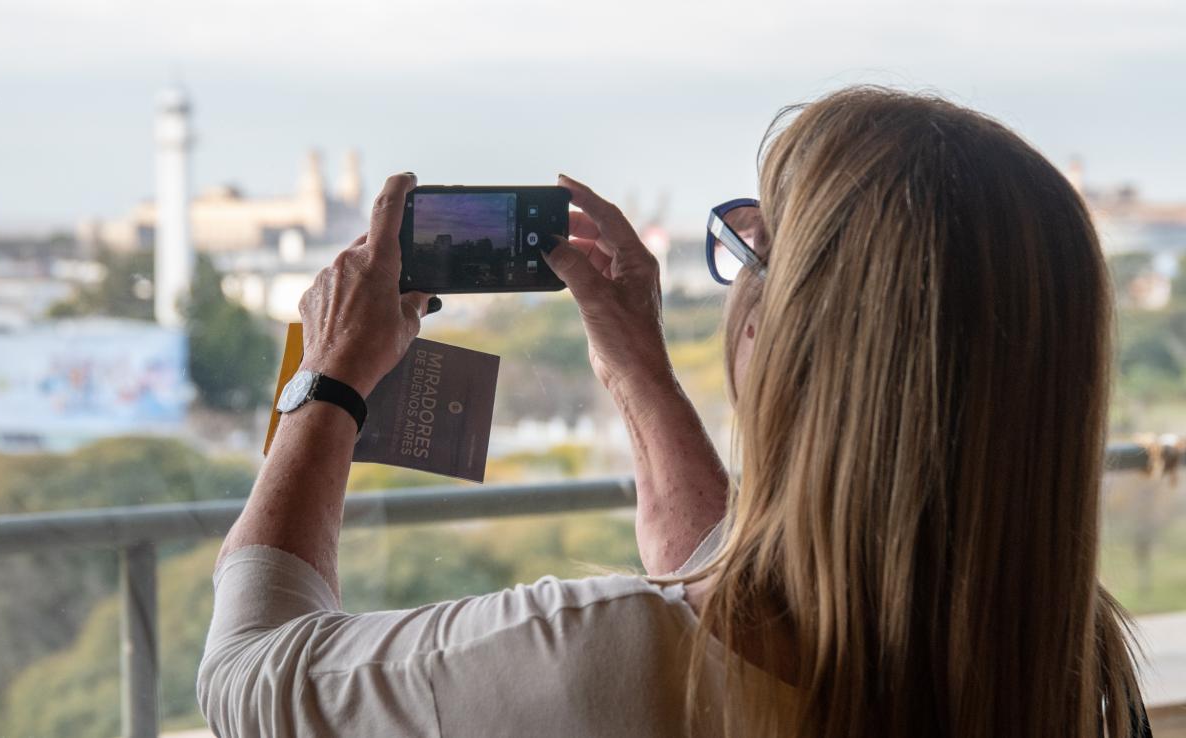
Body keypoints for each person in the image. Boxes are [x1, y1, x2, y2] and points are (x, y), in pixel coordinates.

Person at [197, 86, 1148, 737]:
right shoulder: (1073, 667)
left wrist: (330, 381)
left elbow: (248, 679)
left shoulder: (603, 655)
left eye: (756, 247)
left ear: (798, 340)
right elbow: (743, 594)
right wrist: (640, 370)